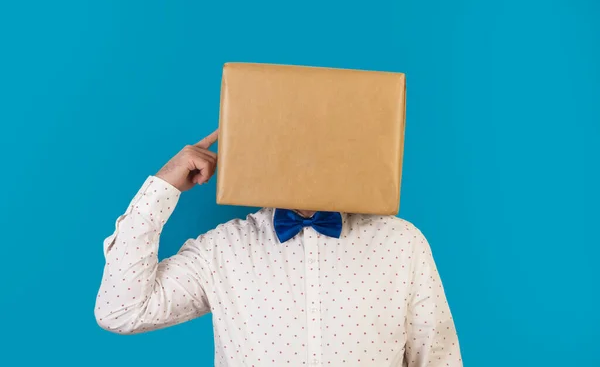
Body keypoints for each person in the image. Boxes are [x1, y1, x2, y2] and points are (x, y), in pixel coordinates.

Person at [94, 128, 463, 367]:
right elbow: (121, 311)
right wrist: (163, 186)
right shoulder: (221, 250)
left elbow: (439, 358)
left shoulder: (401, 243)